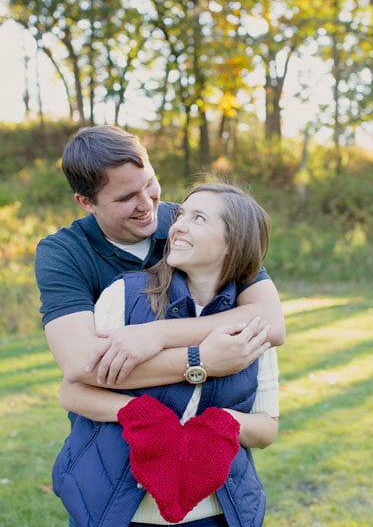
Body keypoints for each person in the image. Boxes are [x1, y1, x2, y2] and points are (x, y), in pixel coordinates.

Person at [54, 182, 280, 527]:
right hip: (117, 510)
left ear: (234, 241)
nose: (177, 226)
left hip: (216, 514)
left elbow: (266, 428)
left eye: (199, 218)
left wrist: (222, 425)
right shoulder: (126, 296)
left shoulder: (252, 323)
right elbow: (72, 390)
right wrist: (138, 414)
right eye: (180, 215)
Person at [35, 125, 285, 396]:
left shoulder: (190, 226)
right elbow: (82, 362)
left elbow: (270, 320)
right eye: (126, 197)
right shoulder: (64, 252)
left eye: (149, 183)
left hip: (208, 415)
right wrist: (199, 359)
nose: (146, 203)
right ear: (86, 202)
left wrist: (158, 334)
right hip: (116, 426)